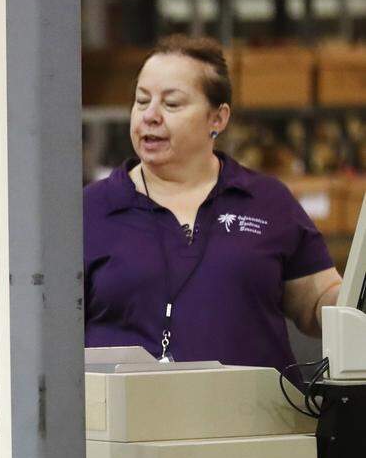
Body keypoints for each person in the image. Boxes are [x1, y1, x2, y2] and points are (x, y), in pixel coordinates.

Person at [84, 35, 341, 382]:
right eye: (141, 101)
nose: (150, 116)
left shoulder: (266, 201)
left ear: (217, 119)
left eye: (171, 104)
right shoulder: (91, 210)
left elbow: (317, 302)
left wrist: (347, 306)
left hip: (255, 427)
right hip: (128, 430)